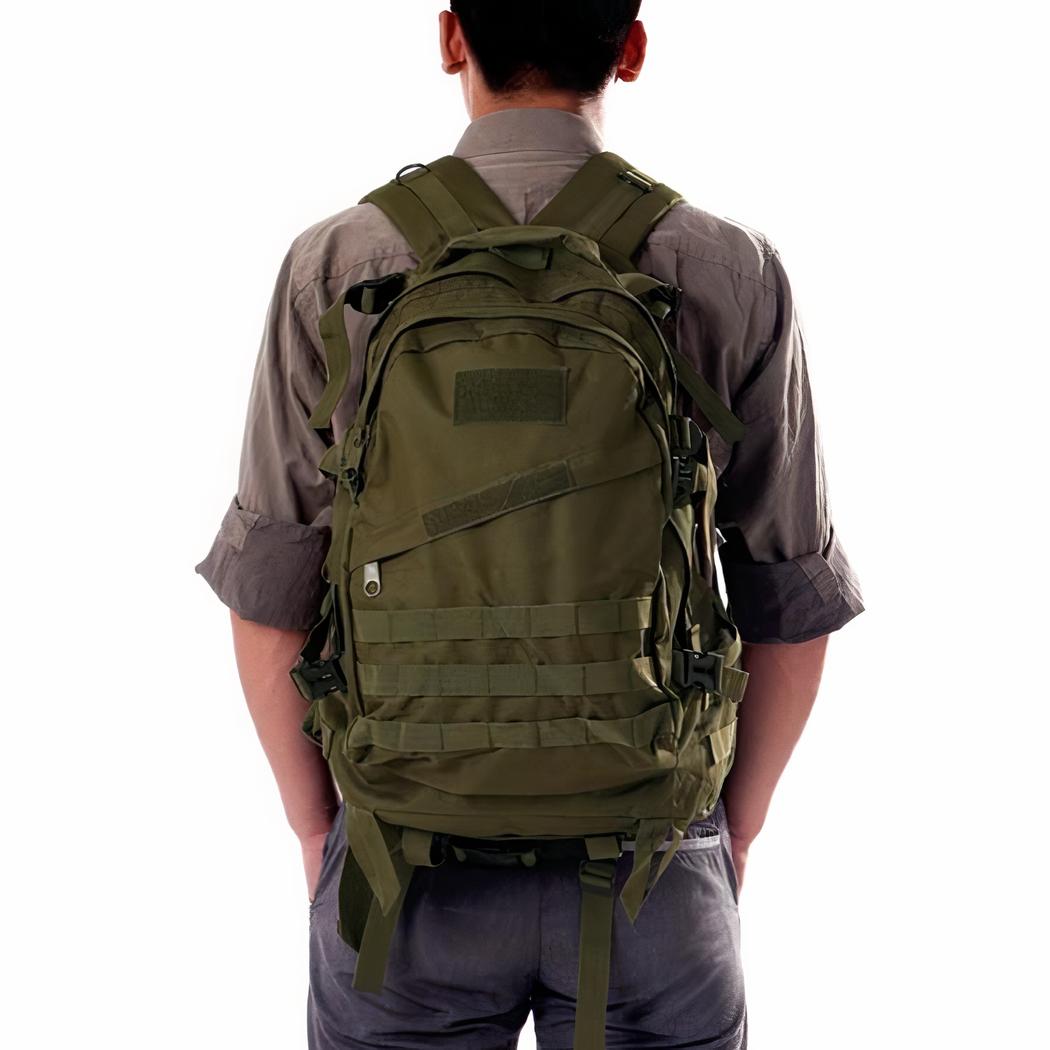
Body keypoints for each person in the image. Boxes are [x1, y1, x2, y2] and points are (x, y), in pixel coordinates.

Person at [196, 2, 864, 1046]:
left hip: (400, 875)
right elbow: (790, 602)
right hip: (651, 865)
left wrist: (318, 829)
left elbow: (270, 597)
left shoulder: (336, 265)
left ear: (451, 38)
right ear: (631, 48)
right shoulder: (730, 268)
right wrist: (725, 835)